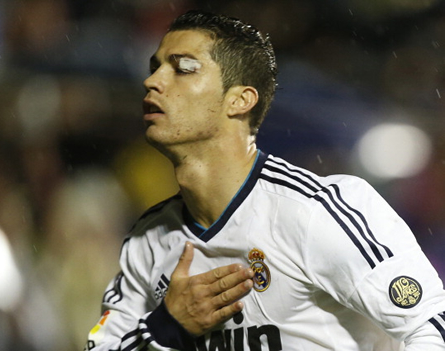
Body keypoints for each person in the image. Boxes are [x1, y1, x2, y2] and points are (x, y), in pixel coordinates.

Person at [85, 10, 445, 351]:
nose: (153, 81)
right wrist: (168, 326)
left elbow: (432, 325)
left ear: (240, 100)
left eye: (183, 68)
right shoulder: (146, 240)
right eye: (155, 67)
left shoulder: (314, 212)